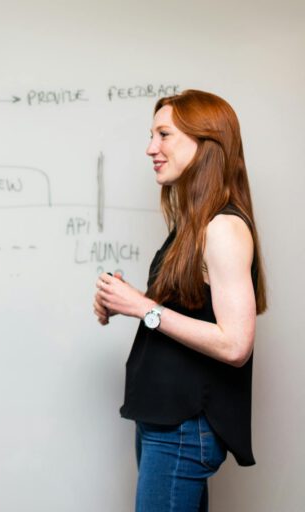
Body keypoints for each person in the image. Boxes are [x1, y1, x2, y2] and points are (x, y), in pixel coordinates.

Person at [93, 90, 266, 511]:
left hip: (184, 427)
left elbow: (235, 345)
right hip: (167, 422)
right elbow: (184, 312)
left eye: (164, 134)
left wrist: (141, 307)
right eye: (152, 135)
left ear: (206, 142)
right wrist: (124, 301)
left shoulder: (222, 228)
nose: (151, 148)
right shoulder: (195, 225)